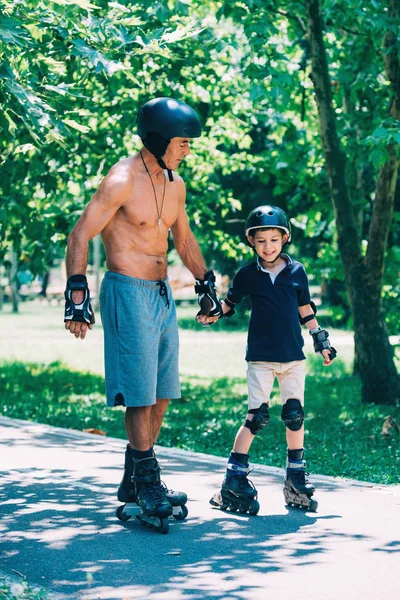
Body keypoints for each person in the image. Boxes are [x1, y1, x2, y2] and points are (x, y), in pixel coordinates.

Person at [64, 97, 222, 525]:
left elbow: (184, 241)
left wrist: (207, 283)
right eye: (182, 142)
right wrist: (77, 294)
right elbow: (80, 235)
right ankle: (147, 480)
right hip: (126, 290)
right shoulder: (120, 180)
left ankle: (136, 477)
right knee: (139, 392)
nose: (188, 150)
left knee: (163, 391)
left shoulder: (175, 184)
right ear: (156, 139)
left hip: (161, 293)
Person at [210, 205, 337, 514]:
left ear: (285, 239)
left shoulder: (297, 272)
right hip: (261, 359)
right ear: (252, 242)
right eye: (261, 240)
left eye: (274, 239)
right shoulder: (247, 274)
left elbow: (305, 308)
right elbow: (230, 303)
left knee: (294, 414)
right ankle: (233, 478)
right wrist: (213, 313)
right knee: (257, 417)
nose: (268, 246)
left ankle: (295, 476)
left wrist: (321, 341)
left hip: (293, 356)